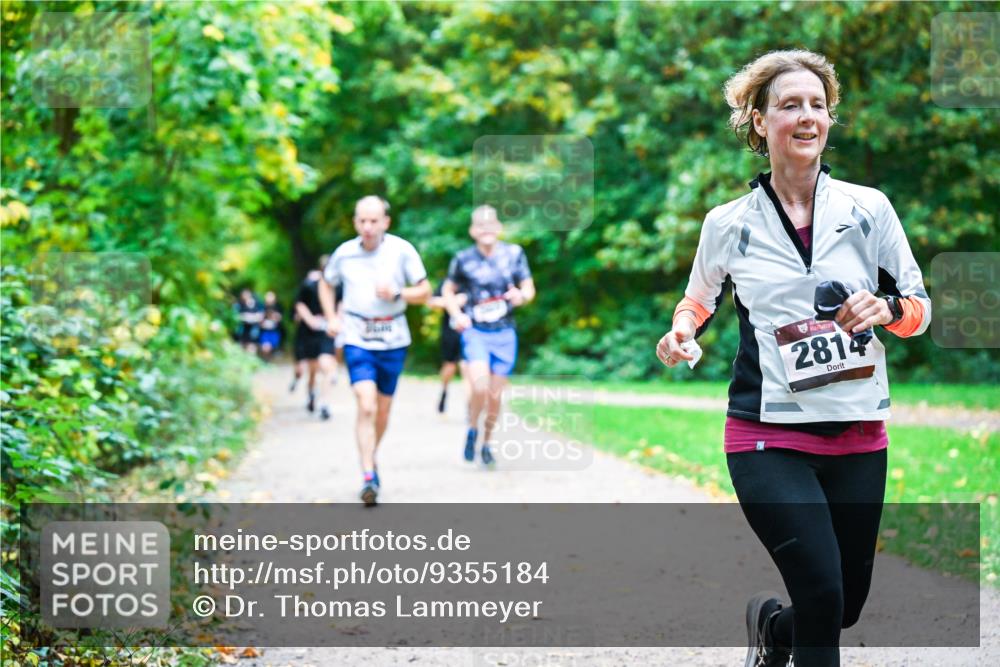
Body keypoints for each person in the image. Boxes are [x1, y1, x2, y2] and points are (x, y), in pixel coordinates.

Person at [655, 50, 931, 667]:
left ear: (829, 119)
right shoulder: (727, 224)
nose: (807, 116)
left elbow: (918, 307)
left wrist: (886, 311)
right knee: (823, 592)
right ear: (759, 121)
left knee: (842, 605)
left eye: (817, 105)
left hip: (858, 433)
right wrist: (680, 333)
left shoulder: (869, 209)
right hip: (765, 435)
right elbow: (697, 301)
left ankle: (773, 630)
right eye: (789, 105)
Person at [319, 195, 430, 506]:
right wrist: (331, 317)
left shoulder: (402, 250)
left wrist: (398, 292)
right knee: (365, 405)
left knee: (382, 410)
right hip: (357, 335)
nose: (367, 227)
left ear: (385, 222)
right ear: (356, 222)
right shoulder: (344, 254)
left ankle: (371, 455)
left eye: (373, 221)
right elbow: (326, 284)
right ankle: (368, 475)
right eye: (362, 221)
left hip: (393, 337)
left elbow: (425, 290)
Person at [443, 205, 535, 465]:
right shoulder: (463, 259)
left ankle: (486, 442)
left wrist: (522, 296)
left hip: (505, 332)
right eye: (480, 225)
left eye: (490, 224)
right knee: (479, 384)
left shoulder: (514, 254)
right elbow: (448, 291)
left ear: (499, 227)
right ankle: (472, 427)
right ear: (473, 230)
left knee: (495, 395)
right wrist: (456, 314)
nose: (486, 229)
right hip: (476, 332)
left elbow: (528, 287)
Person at [291, 257, 338, 420]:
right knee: (313, 370)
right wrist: (310, 320)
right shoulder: (309, 285)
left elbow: (342, 305)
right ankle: (311, 394)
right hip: (309, 333)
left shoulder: (339, 286)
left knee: (327, 365)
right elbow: (299, 304)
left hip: (327, 331)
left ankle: (325, 404)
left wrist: (336, 320)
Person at [428, 281, 469, 414]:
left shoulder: (476, 278)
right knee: (449, 366)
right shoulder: (448, 282)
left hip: (471, 333)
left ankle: (470, 407)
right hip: (450, 332)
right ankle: (444, 392)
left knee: (466, 367)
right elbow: (431, 302)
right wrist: (452, 302)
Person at [234, 288, 264, 354]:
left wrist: (253, 317)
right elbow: (235, 316)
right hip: (242, 329)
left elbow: (261, 315)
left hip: (253, 329)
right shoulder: (239, 305)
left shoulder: (257, 304)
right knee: (241, 347)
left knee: (251, 347)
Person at [258, 290, 284, 362]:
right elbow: (259, 319)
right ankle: (266, 361)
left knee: (271, 347)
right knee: (265, 347)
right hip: (265, 331)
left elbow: (279, 318)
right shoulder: (262, 306)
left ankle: (269, 359)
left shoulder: (278, 306)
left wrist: (274, 316)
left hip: (274, 331)